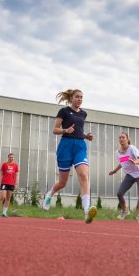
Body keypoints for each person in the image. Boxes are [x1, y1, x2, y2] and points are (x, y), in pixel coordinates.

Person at [41, 89, 98, 224]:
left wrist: (86, 136)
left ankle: (86, 211)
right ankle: (50, 194)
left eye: (81, 97)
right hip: (65, 147)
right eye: (77, 97)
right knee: (63, 183)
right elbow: (55, 129)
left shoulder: (84, 114)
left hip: (80, 147)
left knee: (84, 175)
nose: (79, 99)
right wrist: (65, 130)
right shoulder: (64, 111)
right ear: (71, 98)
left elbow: (79, 130)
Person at [108, 132, 139, 224]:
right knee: (119, 193)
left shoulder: (132, 148)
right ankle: (125, 211)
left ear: (127, 139)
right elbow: (122, 163)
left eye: (123, 137)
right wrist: (114, 171)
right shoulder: (118, 152)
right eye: (120, 138)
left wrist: (135, 162)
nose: (121, 139)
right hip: (129, 175)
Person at [0, 152, 19, 217]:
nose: (11, 158)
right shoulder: (4, 164)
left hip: (11, 183)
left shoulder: (15, 165)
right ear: (8, 157)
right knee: (2, 197)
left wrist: (16, 184)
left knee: (8, 198)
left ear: (14, 158)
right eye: (10, 157)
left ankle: (4, 213)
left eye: (12, 157)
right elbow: (1, 174)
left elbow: (16, 175)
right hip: (4, 183)